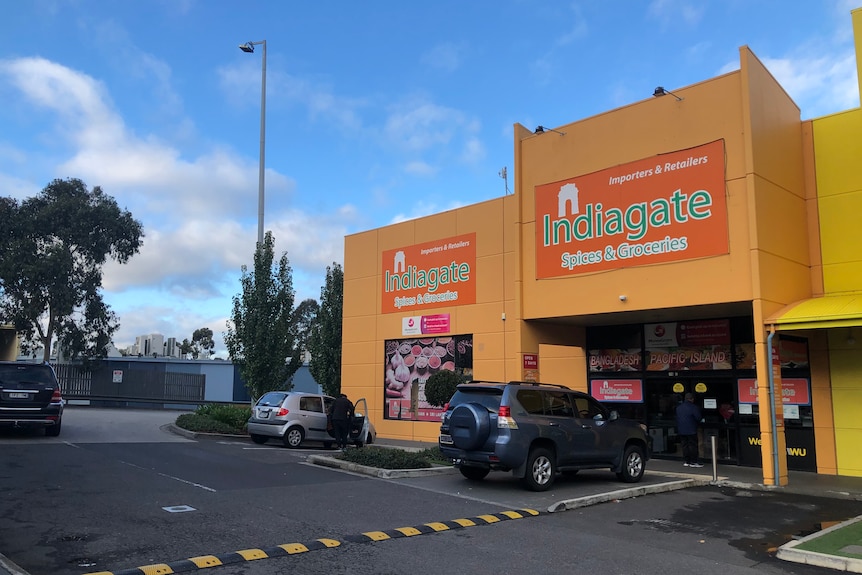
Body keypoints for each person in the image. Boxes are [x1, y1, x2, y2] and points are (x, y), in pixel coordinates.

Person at [676, 392, 704, 468]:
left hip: (681, 430)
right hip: (691, 429)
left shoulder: (679, 407)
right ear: (691, 399)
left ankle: (686, 461)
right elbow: (698, 418)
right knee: (693, 446)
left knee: (684, 445)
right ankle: (693, 462)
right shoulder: (694, 407)